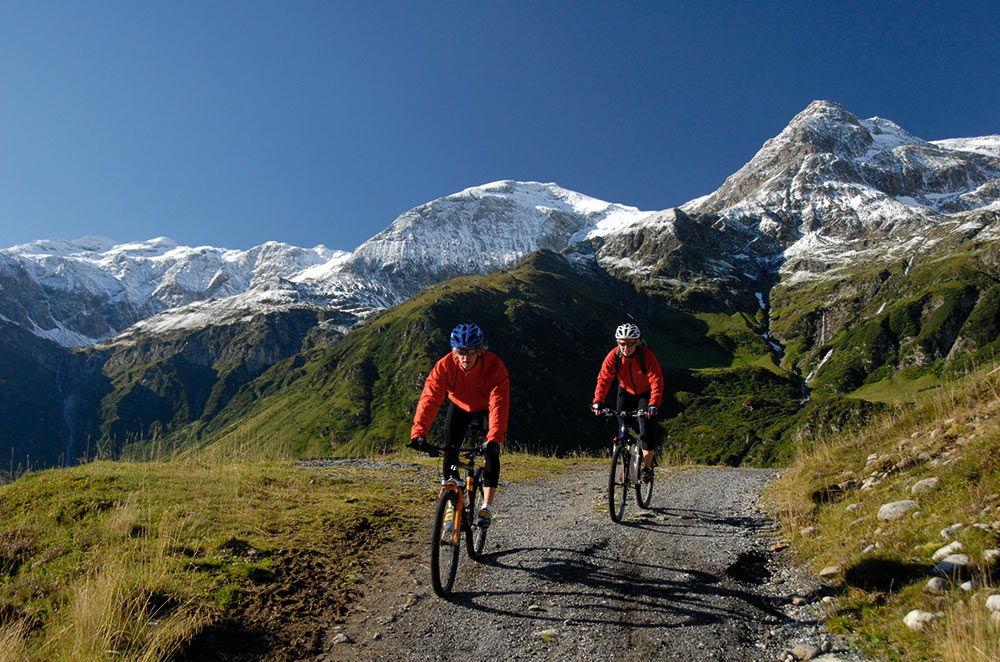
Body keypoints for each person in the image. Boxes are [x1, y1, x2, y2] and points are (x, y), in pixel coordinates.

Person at [409, 323, 510, 530]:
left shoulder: (494, 366)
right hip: (460, 406)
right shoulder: (445, 366)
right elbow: (430, 398)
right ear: (454, 351)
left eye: (471, 351)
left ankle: (486, 507)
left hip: (485, 409)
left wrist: (494, 437)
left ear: (479, 350)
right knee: (450, 449)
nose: (465, 357)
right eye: (461, 352)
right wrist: (419, 433)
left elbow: (499, 402)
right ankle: (451, 500)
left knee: (492, 452)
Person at [591, 322, 663, 483]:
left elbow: (656, 380)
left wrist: (653, 404)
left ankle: (647, 468)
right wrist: (598, 401)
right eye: (621, 343)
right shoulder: (614, 356)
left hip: (645, 393)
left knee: (645, 429)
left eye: (629, 344)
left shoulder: (646, 355)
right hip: (625, 391)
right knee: (622, 424)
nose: (625, 347)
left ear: (636, 342)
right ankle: (625, 461)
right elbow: (604, 379)